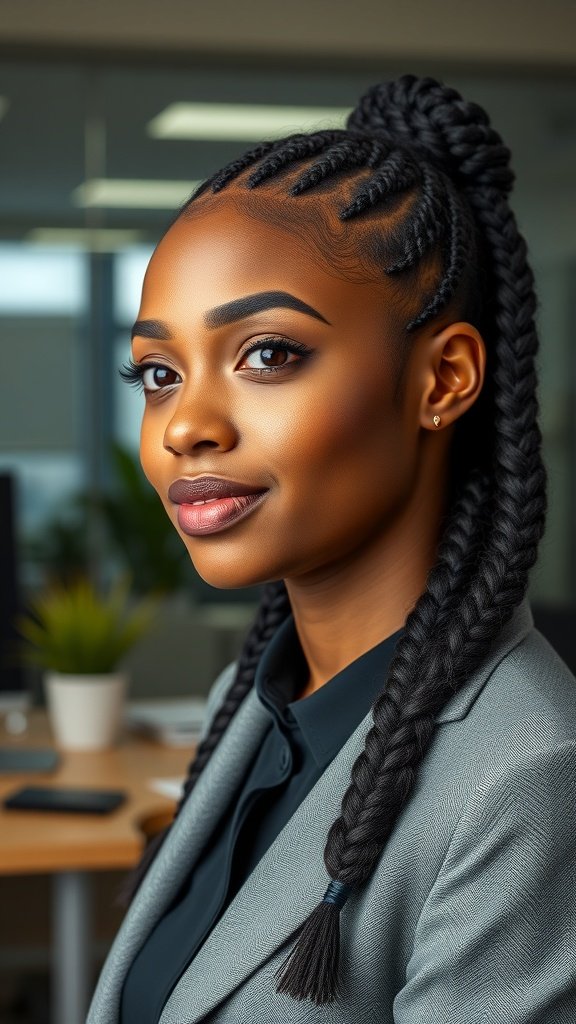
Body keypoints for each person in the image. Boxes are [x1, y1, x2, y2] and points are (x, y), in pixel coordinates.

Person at [87, 74, 576, 1023]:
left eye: (268, 353)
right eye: (157, 371)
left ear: (445, 379)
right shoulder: (270, 704)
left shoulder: (530, 776)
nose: (185, 424)